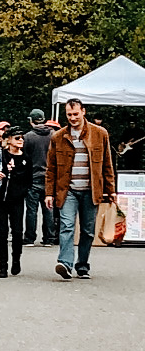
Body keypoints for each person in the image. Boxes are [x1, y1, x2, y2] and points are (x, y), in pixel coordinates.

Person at [46, 97, 116, 280]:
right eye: (69, 114)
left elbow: (107, 164)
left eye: (75, 114)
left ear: (83, 112)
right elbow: (51, 167)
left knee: (88, 230)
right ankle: (65, 264)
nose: (72, 118)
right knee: (66, 226)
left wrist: (111, 189)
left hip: (91, 190)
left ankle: (83, 265)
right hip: (67, 190)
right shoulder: (58, 137)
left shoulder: (100, 133)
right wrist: (49, 193)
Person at [0, 128, 32, 278]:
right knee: (2, 233)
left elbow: (29, 179)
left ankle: (16, 260)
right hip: (1, 199)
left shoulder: (26, 158)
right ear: (8, 140)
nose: (20, 140)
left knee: (17, 232)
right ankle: (3, 265)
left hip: (17, 200)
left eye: (22, 138)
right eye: (17, 138)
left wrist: (22, 188)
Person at [22, 108, 57, 247]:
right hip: (50, 176)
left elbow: (24, 157)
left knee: (31, 209)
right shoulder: (54, 135)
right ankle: (49, 238)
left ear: (31, 121)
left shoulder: (28, 137)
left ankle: (30, 238)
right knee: (49, 208)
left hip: (33, 176)